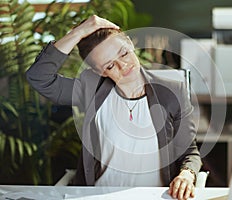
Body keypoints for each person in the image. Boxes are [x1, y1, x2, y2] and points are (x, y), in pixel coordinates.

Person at [26, 15, 202, 200]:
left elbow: (189, 151)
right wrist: (78, 32)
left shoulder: (173, 91)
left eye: (124, 53)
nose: (123, 65)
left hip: (154, 196)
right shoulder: (92, 89)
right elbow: (39, 78)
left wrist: (186, 174)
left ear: (129, 42)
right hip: (98, 195)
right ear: (99, 71)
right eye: (110, 65)